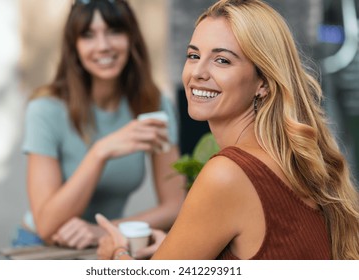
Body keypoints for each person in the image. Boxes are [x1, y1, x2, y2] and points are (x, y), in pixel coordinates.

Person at [96, 0, 359, 260]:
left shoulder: (227, 174)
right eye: (193, 55)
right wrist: (185, 242)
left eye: (222, 60)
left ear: (263, 83)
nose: (197, 72)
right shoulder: (288, 159)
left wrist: (117, 251)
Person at [12, 0, 186, 254]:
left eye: (115, 31)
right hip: (40, 246)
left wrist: (105, 230)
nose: (103, 46)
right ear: (74, 47)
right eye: (88, 35)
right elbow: (47, 225)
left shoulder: (152, 104)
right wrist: (100, 152)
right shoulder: (46, 109)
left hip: (108, 244)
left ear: (131, 38)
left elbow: (175, 205)